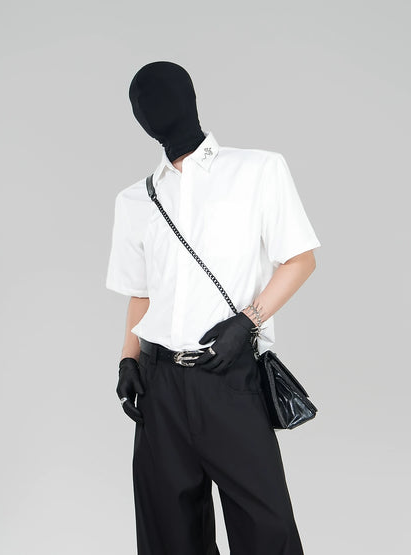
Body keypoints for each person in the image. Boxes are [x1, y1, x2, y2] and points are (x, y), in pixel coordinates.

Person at [105, 60, 321, 555]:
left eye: (162, 94)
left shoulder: (258, 169)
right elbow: (141, 292)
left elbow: (300, 259)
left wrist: (247, 322)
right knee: (167, 537)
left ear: (190, 98)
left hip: (228, 377)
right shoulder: (135, 199)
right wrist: (128, 360)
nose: (151, 108)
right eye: (140, 102)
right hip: (159, 385)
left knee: (267, 533)